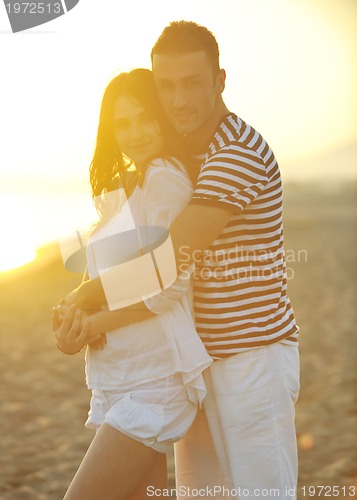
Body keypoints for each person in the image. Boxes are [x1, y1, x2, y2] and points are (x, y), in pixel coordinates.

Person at [64, 21, 300, 499]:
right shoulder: (187, 158)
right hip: (198, 363)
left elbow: (167, 264)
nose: (178, 99)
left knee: (263, 494)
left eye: (192, 82)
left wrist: (84, 297)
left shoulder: (235, 153)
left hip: (250, 357)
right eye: (166, 86)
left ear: (220, 80)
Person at [52, 68, 212, 500]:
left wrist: (95, 314)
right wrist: (75, 326)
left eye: (145, 118)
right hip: (121, 377)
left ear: (161, 116)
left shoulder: (164, 177)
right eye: (123, 123)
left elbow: (167, 284)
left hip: (153, 380)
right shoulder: (127, 185)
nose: (136, 133)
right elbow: (102, 279)